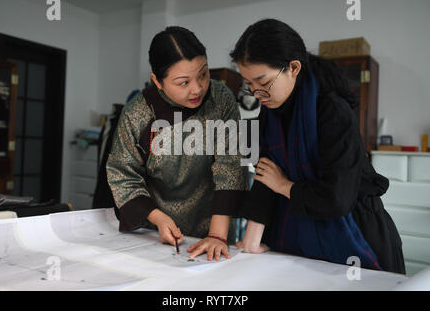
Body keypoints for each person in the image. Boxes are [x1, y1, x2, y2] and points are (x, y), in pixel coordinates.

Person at [230, 19, 406, 274]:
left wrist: (284, 185)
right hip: (295, 230)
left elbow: (336, 198)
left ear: (293, 67)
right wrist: (251, 239)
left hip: (353, 232)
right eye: (250, 85)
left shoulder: (332, 111)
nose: (257, 94)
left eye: (263, 82)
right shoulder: (270, 112)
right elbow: (265, 173)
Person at [106, 26, 248, 261]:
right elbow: (122, 174)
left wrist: (218, 236)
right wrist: (157, 218)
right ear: (157, 81)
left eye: (203, 74)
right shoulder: (138, 113)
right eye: (183, 82)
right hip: (158, 231)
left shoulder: (221, 98)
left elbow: (231, 165)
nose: (198, 88)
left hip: (215, 224)